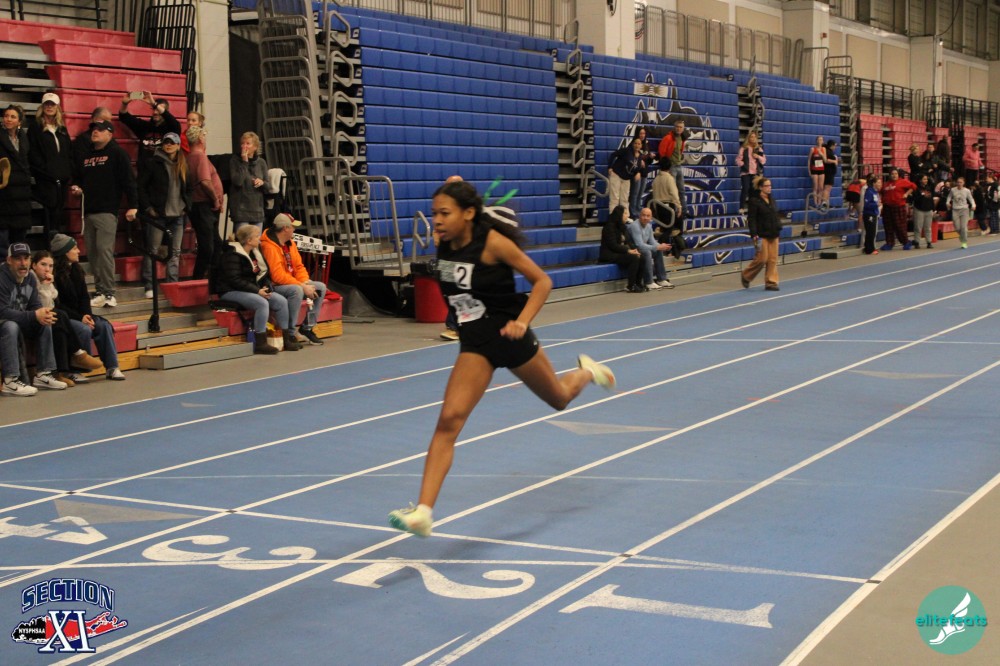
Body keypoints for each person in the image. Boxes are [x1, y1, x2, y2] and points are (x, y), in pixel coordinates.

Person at [387, 181, 616, 537]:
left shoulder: (493, 243)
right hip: (475, 345)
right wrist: (452, 188)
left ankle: (587, 371)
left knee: (559, 398)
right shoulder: (443, 241)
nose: (437, 220)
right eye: (434, 214)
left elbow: (542, 282)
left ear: (468, 213)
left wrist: (522, 322)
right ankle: (423, 513)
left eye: (444, 213)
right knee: (449, 421)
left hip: (510, 337)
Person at [70, 119, 138, 309]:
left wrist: (134, 206)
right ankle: (100, 291)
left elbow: (129, 182)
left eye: (100, 130)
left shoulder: (117, 153)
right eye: (94, 129)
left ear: (110, 133)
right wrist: (77, 187)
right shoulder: (86, 155)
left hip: (107, 211)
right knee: (92, 254)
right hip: (88, 211)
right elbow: (79, 178)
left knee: (104, 251)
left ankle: (109, 292)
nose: (95, 132)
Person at [51, 233, 125, 380]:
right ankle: (75, 370)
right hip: (65, 317)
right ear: (65, 252)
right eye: (74, 248)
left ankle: (112, 367)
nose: (79, 251)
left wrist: (87, 315)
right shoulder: (54, 274)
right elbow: (58, 304)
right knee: (83, 329)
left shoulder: (77, 270)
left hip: (81, 315)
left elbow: (84, 297)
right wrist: (80, 318)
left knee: (103, 326)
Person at [0, 243, 68, 395]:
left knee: (45, 321)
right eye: (18, 259)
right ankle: (10, 380)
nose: (23, 263)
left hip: (20, 321)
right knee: (11, 326)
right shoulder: (2, 278)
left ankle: (44, 374)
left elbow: (35, 305)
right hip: (4, 323)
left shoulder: (30, 277)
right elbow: (2, 312)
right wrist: (33, 315)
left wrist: (42, 313)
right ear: (9, 260)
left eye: (26, 258)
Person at [30, 248, 103, 385]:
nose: (47, 269)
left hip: (47, 317)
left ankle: (61, 372)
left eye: (50, 266)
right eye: (43, 264)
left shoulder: (47, 279)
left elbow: (55, 300)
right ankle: (77, 355)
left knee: (101, 325)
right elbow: (44, 306)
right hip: (32, 317)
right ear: (34, 265)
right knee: (61, 317)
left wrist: (86, 315)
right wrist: (45, 287)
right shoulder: (31, 279)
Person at [214, 225, 285, 355]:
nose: (259, 239)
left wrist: (265, 287)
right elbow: (234, 280)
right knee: (261, 303)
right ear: (249, 240)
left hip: (248, 289)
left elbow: (262, 275)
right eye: (257, 237)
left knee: (280, 301)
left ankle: (285, 336)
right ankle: (260, 343)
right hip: (229, 291)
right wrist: (257, 291)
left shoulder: (253, 253)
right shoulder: (232, 255)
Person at [258, 213, 324, 348]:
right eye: (293, 227)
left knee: (320, 287)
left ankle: (307, 328)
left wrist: (305, 282)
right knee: (296, 290)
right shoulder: (269, 246)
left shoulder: (290, 243)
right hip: (275, 285)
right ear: (285, 228)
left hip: (293, 282)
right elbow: (277, 276)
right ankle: (290, 333)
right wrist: (302, 286)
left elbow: (299, 266)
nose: (294, 229)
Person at [137, 131, 190, 298]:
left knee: (175, 252)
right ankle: (149, 284)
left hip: (178, 215)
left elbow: (188, 189)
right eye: (166, 142)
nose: (168, 145)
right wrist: (148, 208)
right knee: (152, 250)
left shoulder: (183, 165)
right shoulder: (153, 163)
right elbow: (141, 187)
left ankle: (172, 285)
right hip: (158, 215)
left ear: (178, 146)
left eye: (172, 142)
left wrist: (186, 206)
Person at [28, 93, 73, 237]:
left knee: (59, 211)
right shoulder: (35, 127)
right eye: (47, 104)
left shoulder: (62, 129)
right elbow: (33, 153)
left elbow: (68, 151)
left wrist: (67, 171)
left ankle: (57, 243)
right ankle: (49, 243)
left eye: (52, 104)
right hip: (46, 178)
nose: (49, 107)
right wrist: (46, 170)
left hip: (62, 178)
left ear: (57, 107)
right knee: (50, 211)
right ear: (42, 106)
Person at [185, 126, 224, 280]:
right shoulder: (199, 156)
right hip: (204, 205)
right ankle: (199, 278)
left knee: (215, 242)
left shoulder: (190, 157)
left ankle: (212, 278)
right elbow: (205, 181)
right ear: (201, 139)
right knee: (207, 245)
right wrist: (215, 199)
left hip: (201, 206)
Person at [0, 105, 32, 260]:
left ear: (20, 121)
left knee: (19, 245)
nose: (8, 119)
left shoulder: (23, 138)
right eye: (6, 116)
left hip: (21, 198)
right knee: (2, 245)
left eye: (13, 116)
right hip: (4, 196)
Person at [118, 92, 181, 168]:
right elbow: (124, 117)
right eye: (154, 109)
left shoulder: (172, 129)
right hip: (144, 172)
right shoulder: (145, 127)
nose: (155, 112)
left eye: (158, 109)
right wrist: (124, 103)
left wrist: (154, 104)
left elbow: (173, 121)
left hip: (163, 171)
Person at [740, 177, 782, 291]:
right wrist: (754, 234)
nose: (769, 188)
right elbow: (752, 219)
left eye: (770, 185)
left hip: (774, 233)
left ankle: (771, 282)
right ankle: (746, 275)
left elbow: (775, 215)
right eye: (767, 186)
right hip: (761, 234)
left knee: (772, 259)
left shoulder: (772, 200)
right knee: (762, 259)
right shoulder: (755, 201)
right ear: (760, 187)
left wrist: (778, 226)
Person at [229, 131, 269, 233]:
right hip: (241, 209)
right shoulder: (234, 161)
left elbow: (268, 187)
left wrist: (262, 183)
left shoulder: (261, 162)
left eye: (248, 143)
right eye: (242, 143)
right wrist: (245, 162)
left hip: (257, 209)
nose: (244, 146)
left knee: (256, 240)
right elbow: (238, 181)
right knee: (244, 239)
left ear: (255, 147)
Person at [627, 207, 673, 290]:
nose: (645, 218)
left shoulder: (649, 226)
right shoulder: (635, 226)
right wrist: (657, 247)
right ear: (639, 216)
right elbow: (639, 245)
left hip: (643, 247)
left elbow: (652, 241)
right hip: (633, 249)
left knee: (658, 251)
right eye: (643, 215)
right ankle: (648, 282)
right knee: (647, 252)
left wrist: (662, 246)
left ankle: (661, 279)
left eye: (648, 216)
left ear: (651, 217)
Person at [598, 205, 642, 292]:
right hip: (609, 254)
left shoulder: (622, 227)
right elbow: (613, 245)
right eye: (625, 213)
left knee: (641, 256)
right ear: (619, 215)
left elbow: (629, 242)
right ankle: (631, 286)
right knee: (633, 258)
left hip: (620, 253)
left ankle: (638, 283)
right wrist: (628, 250)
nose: (627, 216)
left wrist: (635, 250)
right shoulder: (609, 227)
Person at [878, 168, 916, 251]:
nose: (894, 175)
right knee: (888, 226)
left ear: (898, 174)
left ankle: (906, 242)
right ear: (889, 175)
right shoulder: (886, 184)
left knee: (900, 226)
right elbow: (881, 192)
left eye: (895, 173)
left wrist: (906, 194)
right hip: (887, 207)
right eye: (892, 174)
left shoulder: (903, 181)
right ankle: (889, 243)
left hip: (899, 206)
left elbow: (913, 186)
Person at [607, 137, 644, 215]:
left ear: (641, 145)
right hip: (617, 174)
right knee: (615, 198)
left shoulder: (640, 156)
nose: (637, 145)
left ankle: (625, 217)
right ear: (632, 144)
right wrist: (610, 167)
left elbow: (635, 168)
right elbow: (613, 154)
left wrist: (638, 172)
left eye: (639, 144)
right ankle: (613, 216)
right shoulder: (626, 151)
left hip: (627, 178)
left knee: (624, 199)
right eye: (635, 143)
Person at [657, 119, 688, 211]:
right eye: (677, 127)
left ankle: (683, 211)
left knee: (681, 190)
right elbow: (662, 152)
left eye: (680, 127)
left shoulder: (682, 138)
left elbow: (680, 152)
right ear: (674, 127)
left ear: (683, 129)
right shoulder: (668, 138)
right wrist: (666, 166)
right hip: (671, 167)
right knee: (672, 191)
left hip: (679, 166)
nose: (678, 129)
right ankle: (673, 212)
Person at [628, 126, 655, 217]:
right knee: (634, 193)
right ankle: (632, 212)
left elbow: (648, 161)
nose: (642, 135)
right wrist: (640, 160)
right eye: (640, 133)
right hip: (636, 173)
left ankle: (638, 209)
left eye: (644, 133)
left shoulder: (646, 144)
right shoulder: (633, 145)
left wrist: (650, 157)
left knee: (640, 193)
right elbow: (630, 159)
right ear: (637, 134)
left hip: (644, 173)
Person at [735, 130, 766, 212]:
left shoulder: (759, 149)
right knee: (745, 188)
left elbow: (764, 161)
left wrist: (758, 156)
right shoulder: (743, 148)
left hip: (755, 173)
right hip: (746, 172)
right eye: (751, 137)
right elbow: (738, 160)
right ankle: (741, 207)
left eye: (754, 137)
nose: (753, 138)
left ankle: (753, 208)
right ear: (748, 138)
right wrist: (743, 165)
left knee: (754, 191)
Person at [946, 176, 975, 249]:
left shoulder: (967, 190)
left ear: (963, 183)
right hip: (955, 210)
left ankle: (964, 242)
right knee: (957, 228)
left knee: (963, 227)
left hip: (964, 210)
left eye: (961, 182)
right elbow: (949, 197)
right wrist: (947, 202)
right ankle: (962, 236)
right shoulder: (953, 190)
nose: (959, 184)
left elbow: (971, 199)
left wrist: (973, 205)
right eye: (958, 182)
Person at [912, 174, 936, 249]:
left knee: (928, 227)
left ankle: (929, 242)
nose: (926, 180)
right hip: (919, 209)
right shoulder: (916, 188)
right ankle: (917, 242)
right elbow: (914, 198)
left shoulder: (929, 188)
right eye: (924, 179)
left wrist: (933, 209)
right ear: (920, 180)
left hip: (928, 210)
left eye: (926, 179)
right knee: (918, 227)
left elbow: (931, 199)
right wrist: (921, 195)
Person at [861, 174, 882, 255]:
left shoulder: (875, 192)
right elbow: (867, 204)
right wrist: (876, 204)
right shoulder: (869, 191)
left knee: (873, 232)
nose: (880, 184)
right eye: (878, 182)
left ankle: (871, 247)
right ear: (874, 183)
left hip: (874, 213)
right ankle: (869, 249)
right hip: (869, 214)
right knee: (870, 231)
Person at [808, 135, 826, 207]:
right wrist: (809, 171)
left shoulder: (823, 149)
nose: (820, 141)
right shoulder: (813, 149)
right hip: (814, 170)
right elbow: (809, 160)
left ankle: (819, 202)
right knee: (815, 187)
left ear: (823, 141)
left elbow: (825, 160)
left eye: (821, 140)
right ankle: (815, 203)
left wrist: (821, 154)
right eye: (818, 140)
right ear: (816, 141)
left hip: (821, 170)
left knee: (821, 187)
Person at [822, 139, 838, 208]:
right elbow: (826, 160)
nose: (835, 147)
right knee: (827, 188)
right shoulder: (827, 151)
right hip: (828, 172)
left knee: (828, 189)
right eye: (835, 146)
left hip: (830, 172)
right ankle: (824, 203)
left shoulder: (830, 151)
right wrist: (834, 161)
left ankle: (827, 203)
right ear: (832, 145)